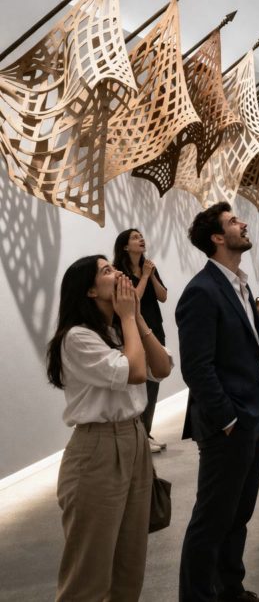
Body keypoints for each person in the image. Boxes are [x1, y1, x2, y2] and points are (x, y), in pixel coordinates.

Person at [49, 255, 173, 601]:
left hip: (134, 439)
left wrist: (136, 317)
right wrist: (128, 318)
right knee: (88, 576)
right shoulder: (77, 337)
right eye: (107, 271)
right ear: (90, 291)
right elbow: (135, 372)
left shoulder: (120, 329)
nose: (118, 273)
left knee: (128, 568)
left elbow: (161, 368)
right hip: (97, 448)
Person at [178, 202, 259, 602]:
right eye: (233, 221)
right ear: (218, 238)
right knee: (211, 518)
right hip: (229, 424)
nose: (243, 224)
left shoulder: (240, 284)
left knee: (238, 513)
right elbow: (196, 368)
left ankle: (230, 590)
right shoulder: (201, 291)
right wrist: (227, 419)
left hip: (254, 414)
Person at [113, 228, 169, 454]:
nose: (141, 239)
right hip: (134, 332)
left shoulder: (149, 267)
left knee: (154, 382)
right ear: (125, 246)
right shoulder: (120, 273)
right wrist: (144, 276)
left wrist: (151, 275)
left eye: (141, 236)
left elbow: (163, 296)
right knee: (139, 385)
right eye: (135, 238)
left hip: (155, 330)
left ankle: (147, 432)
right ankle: (140, 435)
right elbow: (133, 299)